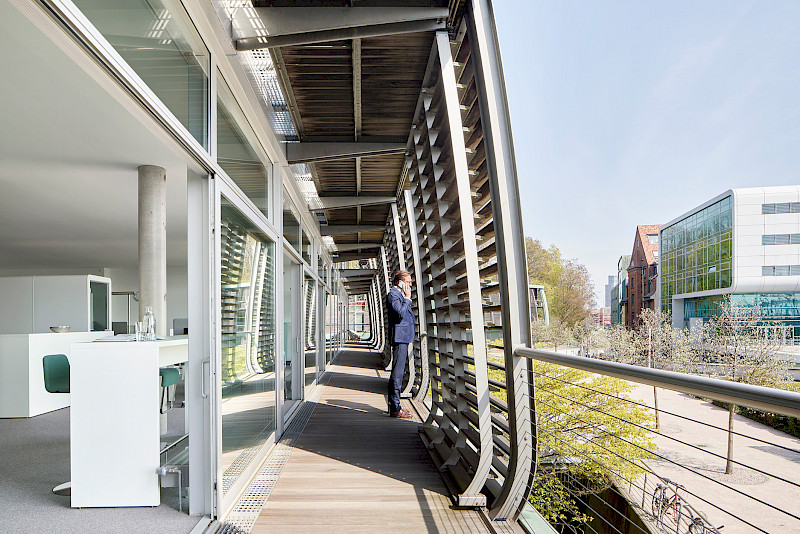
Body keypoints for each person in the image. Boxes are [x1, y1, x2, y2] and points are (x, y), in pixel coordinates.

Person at [386, 270, 415, 418]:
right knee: (397, 374)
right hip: (399, 338)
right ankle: (395, 408)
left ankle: (394, 406)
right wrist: (408, 299)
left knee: (398, 372)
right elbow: (400, 313)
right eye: (408, 282)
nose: (410, 285)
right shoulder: (394, 295)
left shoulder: (398, 295)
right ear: (400, 282)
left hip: (402, 337)